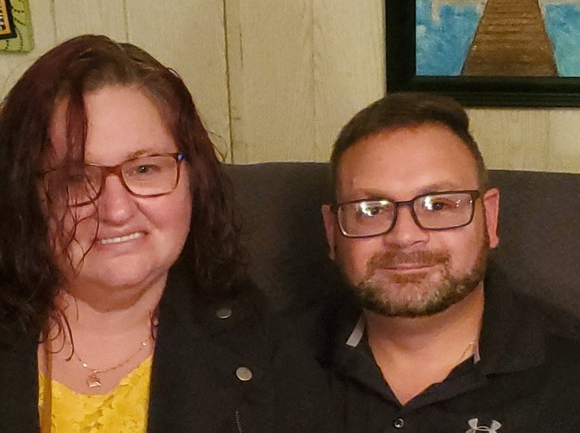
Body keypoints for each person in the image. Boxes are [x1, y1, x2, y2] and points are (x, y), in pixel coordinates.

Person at [0, 35, 334, 432]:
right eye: (75, 179)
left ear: (194, 179)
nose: (116, 210)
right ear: (25, 195)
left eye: (145, 169)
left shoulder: (266, 352)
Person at [315, 92, 580, 431]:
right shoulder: (268, 363)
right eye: (371, 210)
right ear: (332, 232)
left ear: (490, 219)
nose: (404, 236)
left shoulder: (570, 373)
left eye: (438, 205)